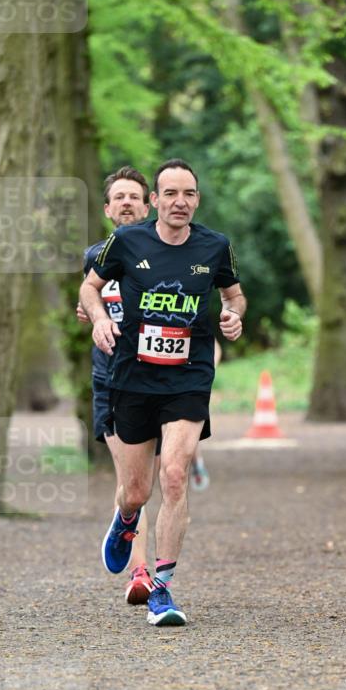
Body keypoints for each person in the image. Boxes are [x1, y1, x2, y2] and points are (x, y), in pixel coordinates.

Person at [79, 158, 246, 627]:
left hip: (188, 376)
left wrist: (233, 314)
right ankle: (126, 518)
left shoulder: (215, 246)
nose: (179, 202)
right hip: (133, 377)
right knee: (136, 491)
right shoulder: (127, 242)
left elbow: (234, 295)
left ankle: (163, 588)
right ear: (155, 200)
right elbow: (90, 288)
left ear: (197, 199)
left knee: (174, 475)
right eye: (170, 193)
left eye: (188, 194)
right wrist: (99, 318)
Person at [76, 166, 156, 604]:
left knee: (149, 480)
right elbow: (90, 299)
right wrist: (93, 313)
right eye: (119, 198)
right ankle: (139, 568)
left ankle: (132, 542)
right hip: (111, 379)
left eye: (134, 197)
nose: (127, 203)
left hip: (158, 380)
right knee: (132, 478)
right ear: (107, 209)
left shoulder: (169, 254)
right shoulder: (95, 256)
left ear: (148, 206)